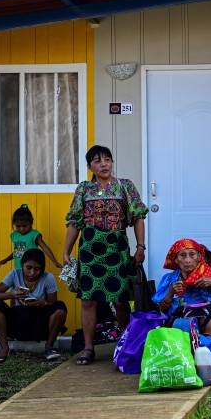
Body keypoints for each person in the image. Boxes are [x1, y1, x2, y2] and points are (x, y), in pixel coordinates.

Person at [63, 145, 147, 365]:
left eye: (107, 159)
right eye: (98, 160)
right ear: (90, 166)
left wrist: (140, 247)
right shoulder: (84, 189)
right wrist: (66, 251)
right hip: (90, 250)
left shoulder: (125, 186)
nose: (104, 164)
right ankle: (89, 348)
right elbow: (75, 221)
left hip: (117, 249)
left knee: (120, 300)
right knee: (88, 300)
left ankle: (124, 344)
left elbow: (138, 216)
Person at [0, 249, 68, 363]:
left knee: (60, 306)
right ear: (22, 265)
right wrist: (11, 294)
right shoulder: (15, 274)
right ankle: (4, 349)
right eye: (28, 268)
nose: (32, 272)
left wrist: (43, 303)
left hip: (39, 323)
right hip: (18, 322)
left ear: (42, 268)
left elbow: (53, 303)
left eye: (37, 269)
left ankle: (49, 347)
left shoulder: (48, 277)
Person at [153, 238, 211, 336]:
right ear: (176, 260)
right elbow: (161, 310)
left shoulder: (209, 275)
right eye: (182, 255)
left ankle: (205, 345)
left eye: (192, 254)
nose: (188, 260)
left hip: (205, 318)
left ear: (199, 256)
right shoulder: (169, 279)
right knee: (185, 323)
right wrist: (170, 292)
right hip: (177, 319)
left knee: (207, 318)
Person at [0, 203, 62, 270]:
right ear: (14, 224)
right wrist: (6, 260)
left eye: (24, 226)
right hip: (19, 269)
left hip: (32, 270)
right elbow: (18, 252)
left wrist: (55, 261)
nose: (21, 229)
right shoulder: (15, 235)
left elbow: (45, 248)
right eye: (18, 226)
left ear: (31, 223)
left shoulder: (34, 235)